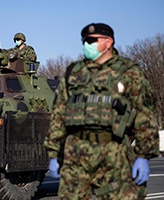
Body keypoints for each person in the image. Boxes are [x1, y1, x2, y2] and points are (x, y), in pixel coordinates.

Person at [44, 22, 159, 199]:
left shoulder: (129, 72)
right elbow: (59, 115)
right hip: (76, 154)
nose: (86, 45)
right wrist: (54, 153)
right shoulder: (73, 72)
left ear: (108, 42)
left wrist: (143, 155)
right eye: (84, 41)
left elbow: (145, 115)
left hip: (114, 152)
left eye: (91, 40)